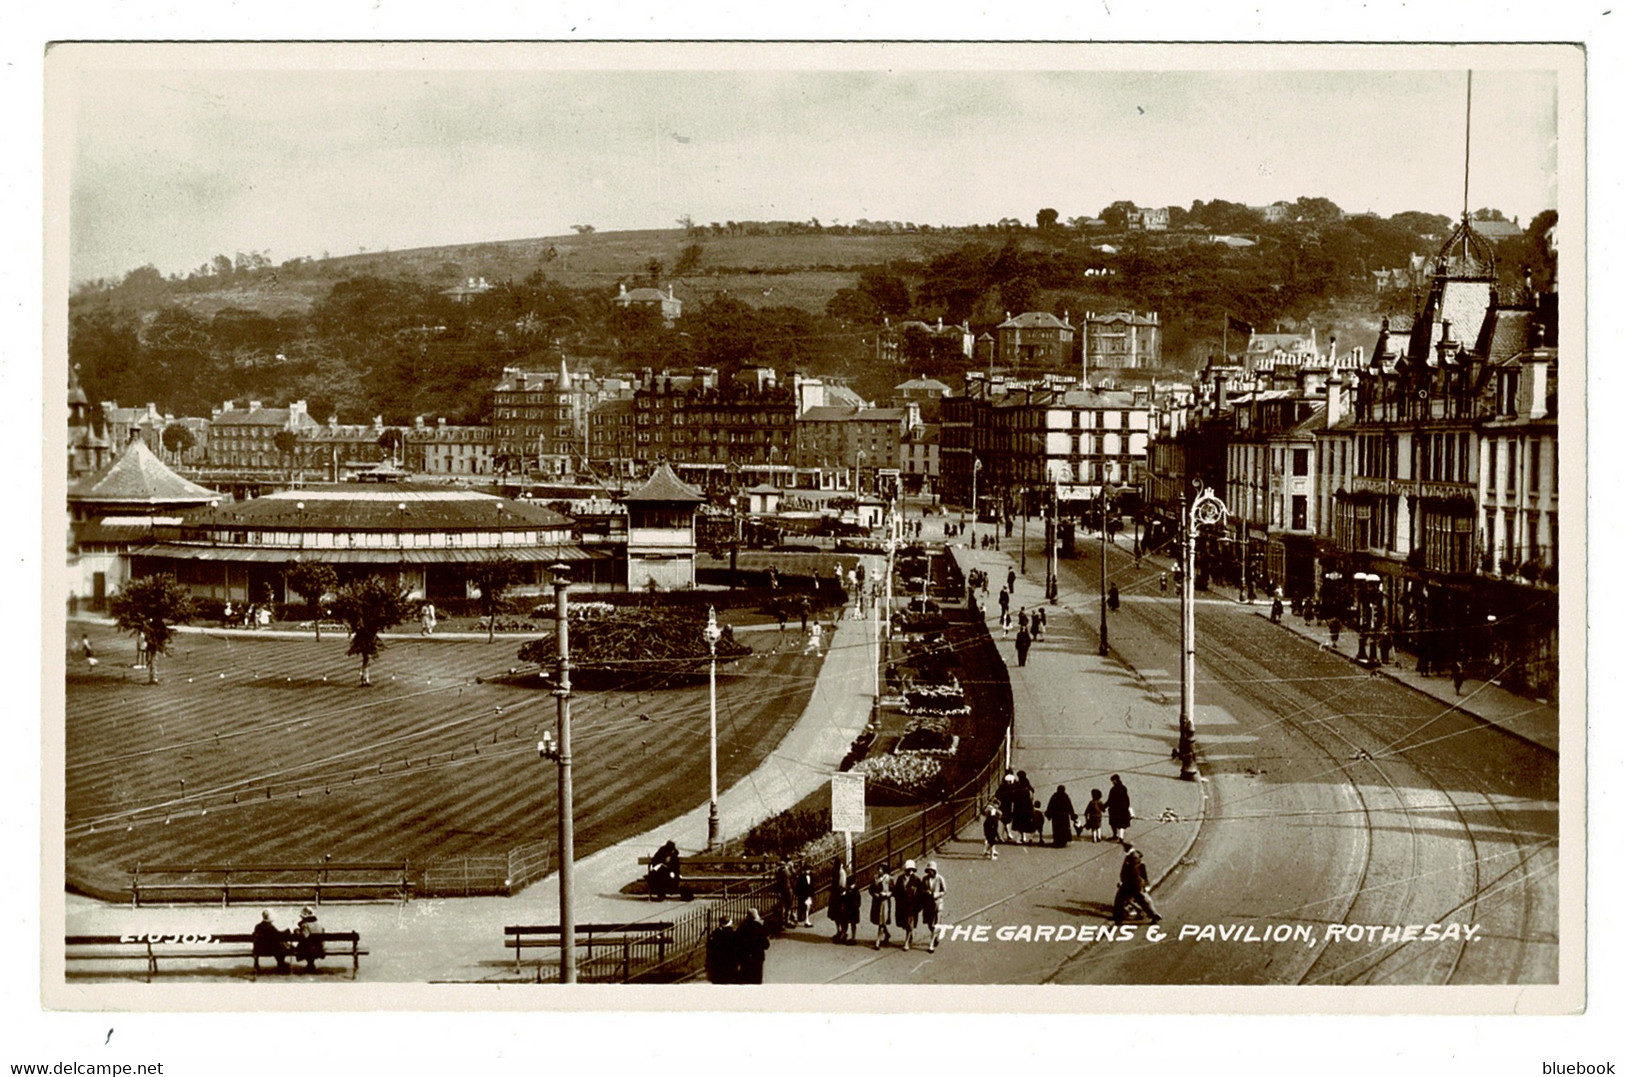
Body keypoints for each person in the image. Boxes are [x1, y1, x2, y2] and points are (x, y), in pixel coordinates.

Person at [1112, 843, 1161, 925]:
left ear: (1128, 849)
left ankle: (1118, 919)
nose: (1124, 850)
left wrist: (1123, 882)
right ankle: (1154, 915)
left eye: (1125, 849)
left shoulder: (1132, 857)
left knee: (1120, 899)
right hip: (1136, 884)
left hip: (1131, 884)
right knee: (1143, 900)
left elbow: (1132, 873)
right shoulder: (1133, 855)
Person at [735, 908, 770, 983]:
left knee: (745, 980)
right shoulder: (759, 928)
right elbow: (766, 945)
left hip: (745, 958)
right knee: (756, 979)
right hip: (757, 958)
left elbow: (737, 942)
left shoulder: (742, 927)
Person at [918, 862, 947, 953]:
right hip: (928, 904)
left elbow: (944, 891)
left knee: (936, 923)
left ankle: (931, 944)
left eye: (931, 870)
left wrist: (936, 894)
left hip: (937, 904)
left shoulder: (940, 879)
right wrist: (925, 892)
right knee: (930, 924)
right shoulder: (925, 879)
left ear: (934, 870)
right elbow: (921, 889)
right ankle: (935, 937)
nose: (929, 872)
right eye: (928, 870)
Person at [894, 861, 922, 951]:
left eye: (912, 870)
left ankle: (906, 943)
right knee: (905, 924)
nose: (910, 872)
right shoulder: (900, 879)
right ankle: (911, 933)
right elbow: (896, 892)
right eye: (908, 870)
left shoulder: (917, 880)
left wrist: (918, 907)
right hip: (902, 906)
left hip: (912, 906)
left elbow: (920, 895)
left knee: (909, 924)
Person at [251, 910, 289, 974]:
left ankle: (257, 965)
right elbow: (279, 936)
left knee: (278, 946)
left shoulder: (258, 926)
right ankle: (281, 964)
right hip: (270, 950)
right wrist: (287, 932)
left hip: (260, 950)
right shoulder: (270, 927)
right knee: (281, 948)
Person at [706, 916, 740, 983]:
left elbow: (709, 946)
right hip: (731, 966)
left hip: (718, 966)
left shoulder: (716, 934)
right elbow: (737, 949)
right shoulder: (733, 934)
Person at [293, 907, 325, 973]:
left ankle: (310, 965)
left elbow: (305, 937)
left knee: (305, 945)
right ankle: (311, 964)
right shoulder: (319, 924)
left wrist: (297, 932)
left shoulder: (305, 925)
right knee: (309, 944)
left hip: (310, 948)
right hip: (319, 947)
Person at [1105, 774, 1133, 841]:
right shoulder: (1123, 788)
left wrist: (1103, 807)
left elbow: (1110, 800)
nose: (1112, 782)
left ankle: (1116, 835)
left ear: (1115, 780)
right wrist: (1127, 807)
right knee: (1121, 824)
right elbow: (1127, 799)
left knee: (1113, 823)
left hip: (1115, 809)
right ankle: (1120, 837)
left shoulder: (1113, 789)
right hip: (1122, 809)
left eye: (1113, 781)